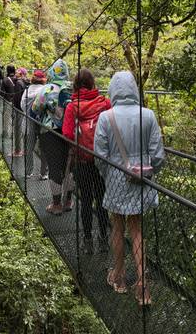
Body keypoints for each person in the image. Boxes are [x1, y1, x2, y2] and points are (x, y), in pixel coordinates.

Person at [94, 71, 165, 306]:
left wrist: (110, 175)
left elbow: (100, 156)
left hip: (116, 178)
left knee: (117, 226)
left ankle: (120, 278)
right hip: (141, 179)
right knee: (136, 229)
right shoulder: (149, 115)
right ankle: (143, 285)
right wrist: (147, 172)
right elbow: (158, 156)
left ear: (114, 89)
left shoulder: (106, 117)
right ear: (134, 88)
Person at [62, 68, 111, 254]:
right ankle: (104, 239)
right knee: (102, 200)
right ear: (92, 84)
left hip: (82, 161)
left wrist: (77, 145)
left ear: (75, 85)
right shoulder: (105, 104)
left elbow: (67, 133)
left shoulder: (72, 106)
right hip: (102, 161)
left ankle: (88, 240)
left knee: (86, 200)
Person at [32, 59, 73, 215]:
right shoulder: (72, 88)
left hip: (50, 132)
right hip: (70, 133)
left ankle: (56, 205)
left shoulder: (47, 88)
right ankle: (68, 201)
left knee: (55, 167)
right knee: (69, 167)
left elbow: (36, 108)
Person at [21, 69, 49, 179]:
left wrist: (28, 112)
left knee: (28, 148)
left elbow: (22, 104)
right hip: (41, 122)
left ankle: (28, 172)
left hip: (28, 121)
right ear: (43, 80)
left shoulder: (27, 90)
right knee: (44, 148)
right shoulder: (45, 90)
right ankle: (44, 173)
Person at [11, 68, 29, 157]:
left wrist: (15, 108)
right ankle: (25, 150)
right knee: (25, 130)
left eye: (18, 71)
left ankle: (17, 151)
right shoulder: (25, 82)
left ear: (21, 74)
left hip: (18, 109)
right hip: (25, 110)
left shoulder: (18, 83)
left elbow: (17, 98)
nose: (16, 72)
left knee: (17, 130)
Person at [1, 65, 16, 138]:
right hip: (17, 102)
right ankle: (14, 133)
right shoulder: (18, 79)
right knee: (16, 118)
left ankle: (5, 132)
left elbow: (2, 92)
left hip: (8, 101)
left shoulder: (5, 80)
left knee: (7, 118)